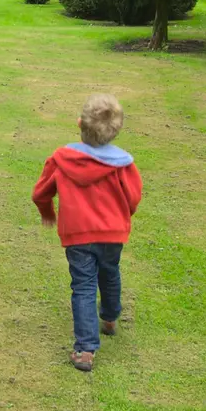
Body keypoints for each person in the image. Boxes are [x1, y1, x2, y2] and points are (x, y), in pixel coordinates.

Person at [30, 94, 143, 373]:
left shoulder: (61, 160)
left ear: (79, 123)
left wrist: (47, 212)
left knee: (83, 286)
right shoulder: (123, 165)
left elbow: (40, 192)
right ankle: (109, 317)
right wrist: (121, 217)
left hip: (78, 235)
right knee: (110, 272)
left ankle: (85, 349)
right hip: (112, 234)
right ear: (116, 130)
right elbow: (133, 198)